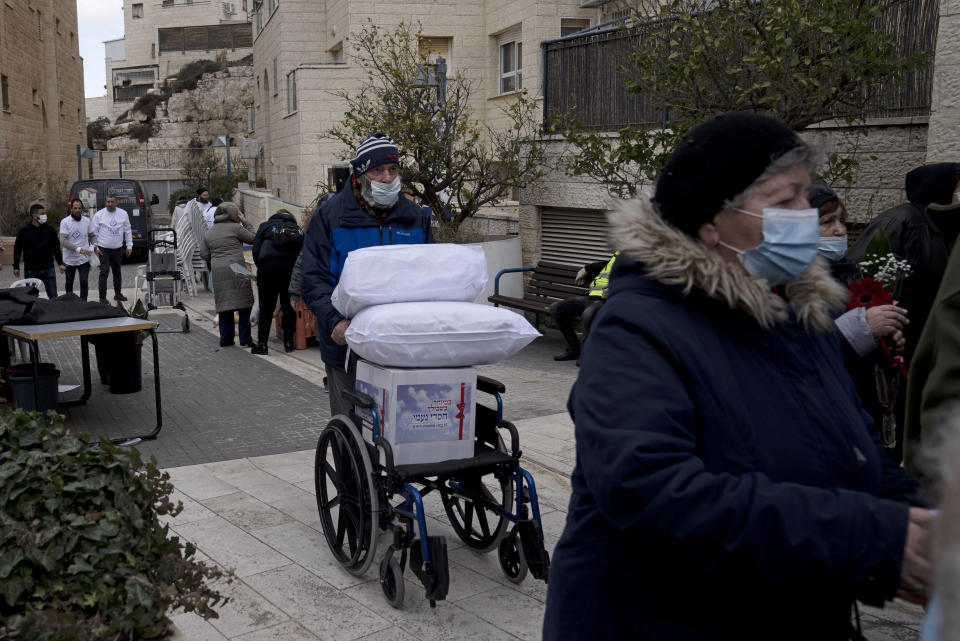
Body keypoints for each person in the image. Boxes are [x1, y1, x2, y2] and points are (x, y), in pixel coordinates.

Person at [542, 112, 931, 640]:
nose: (807, 217)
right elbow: (652, 494)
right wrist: (872, 539)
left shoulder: (798, 313)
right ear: (711, 221)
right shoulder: (637, 329)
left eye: (805, 195)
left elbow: (856, 451)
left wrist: (922, 522)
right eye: (784, 201)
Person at [301, 133, 433, 415]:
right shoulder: (330, 216)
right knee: (351, 424)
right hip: (347, 343)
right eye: (377, 170)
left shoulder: (416, 218)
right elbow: (313, 279)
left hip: (402, 343)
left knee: (401, 421)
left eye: (393, 169)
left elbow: (430, 278)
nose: (387, 178)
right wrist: (335, 322)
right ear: (359, 174)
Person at [201, 202, 256, 348]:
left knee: (225, 305)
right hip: (237, 268)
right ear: (233, 214)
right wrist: (245, 221)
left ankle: (226, 339)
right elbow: (254, 238)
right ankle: (245, 338)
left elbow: (204, 254)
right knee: (244, 304)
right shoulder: (236, 228)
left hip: (218, 270)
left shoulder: (209, 232)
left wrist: (215, 260)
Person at [548, 252, 619, 361]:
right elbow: (607, 265)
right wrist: (586, 269)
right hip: (592, 297)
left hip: (608, 300)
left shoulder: (640, 256)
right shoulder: (620, 253)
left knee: (588, 313)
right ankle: (574, 350)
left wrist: (615, 289)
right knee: (556, 308)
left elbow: (637, 279)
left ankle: (587, 354)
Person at [251, 209, 302, 355]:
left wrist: (261, 266)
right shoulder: (298, 230)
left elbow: (256, 250)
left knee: (266, 307)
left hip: (269, 268)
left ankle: (262, 345)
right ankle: (288, 343)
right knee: (288, 306)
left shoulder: (265, 226)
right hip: (291, 270)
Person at [13, 203, 65, 297]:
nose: (44, 216)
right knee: (31, 297)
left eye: (45, 213)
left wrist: (60, 263)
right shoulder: (24, 230)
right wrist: (16, 266)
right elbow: (17, 248)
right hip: (31, 269)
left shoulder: (50, 229)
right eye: (41, 214)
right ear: (33, 215)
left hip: (48, 268)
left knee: (53, 296)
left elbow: (56, 247)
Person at [92, 194, 132, 303]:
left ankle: (118, 294)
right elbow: (93, 233)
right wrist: (95, 247)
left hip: (117, 249)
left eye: (112, 202)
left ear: (116, 202)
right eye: (108, 202)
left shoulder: (123, 214)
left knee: (117, 272)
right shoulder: (99, 215)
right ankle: (102, 297)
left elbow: (128, 230)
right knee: (104, 272)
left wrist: (129, 246)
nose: (110, 204)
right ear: (105, 202)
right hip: (103, 248)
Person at [60, 198, 96, 301]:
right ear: (71, 209)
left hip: (83, 259)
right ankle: (69, 303)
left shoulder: (87, 221)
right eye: (75, 208)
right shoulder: (65, 222)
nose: (77, 210)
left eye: (79, 208)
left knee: (84, 281)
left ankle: (83, 303)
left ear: (82, 209)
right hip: (69, 260)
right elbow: (63, 241)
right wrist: (79, 249)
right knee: (69, 283)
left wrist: (95, 245)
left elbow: (92, 236)